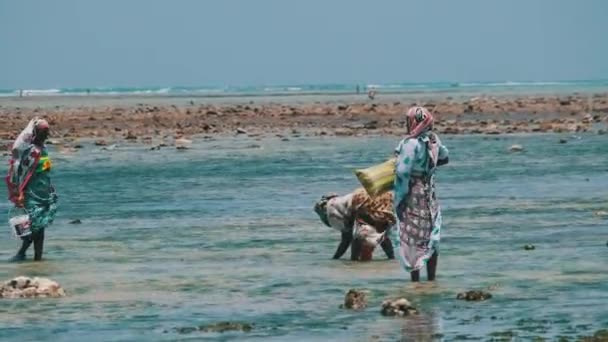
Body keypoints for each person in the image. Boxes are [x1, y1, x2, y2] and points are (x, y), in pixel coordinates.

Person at [392, 106, 449, 281]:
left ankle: (415, 281)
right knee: (431, 235)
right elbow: (445, 157)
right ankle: (431, 279)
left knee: (412, 236)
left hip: (413, 193)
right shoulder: (433, 140)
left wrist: (397, 199)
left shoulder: (410, 144)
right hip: (430, 193)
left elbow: (402, 172)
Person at [5, 118, 58, 262]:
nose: (46, 134)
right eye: (43, 131)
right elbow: (20, 172)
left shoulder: (44, 149)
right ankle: (30, 256)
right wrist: (19, 192)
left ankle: (34, 258)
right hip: (31, 194)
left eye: (47, 131)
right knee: (36, 226)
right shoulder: (31, 151)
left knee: (40, 227)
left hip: (45, 194)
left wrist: (50, 187)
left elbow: (45, 171)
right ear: (35, 132)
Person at [314, 188, 395, 261]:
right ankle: (391, 258)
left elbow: (346, 240)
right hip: (359, 201)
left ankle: (355, 262)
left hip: (345, 204)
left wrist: (335, 258)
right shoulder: (379, 206)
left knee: (355, 237)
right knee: (376, 234)